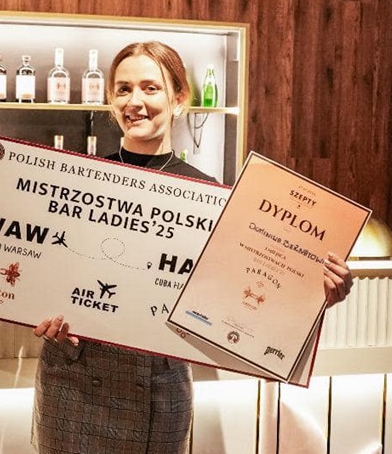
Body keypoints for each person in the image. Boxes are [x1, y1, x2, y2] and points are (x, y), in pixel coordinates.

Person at [30, 41, 355, 454]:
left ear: (179, 98)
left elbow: (242, 295)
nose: (135, 102)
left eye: (150, 88)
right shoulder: (80, 179)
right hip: (73, 375)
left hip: (159, 383)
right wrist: (37, 309)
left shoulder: (210, 195)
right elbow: (48, 269)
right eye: (123, 89)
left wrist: (315, 296)